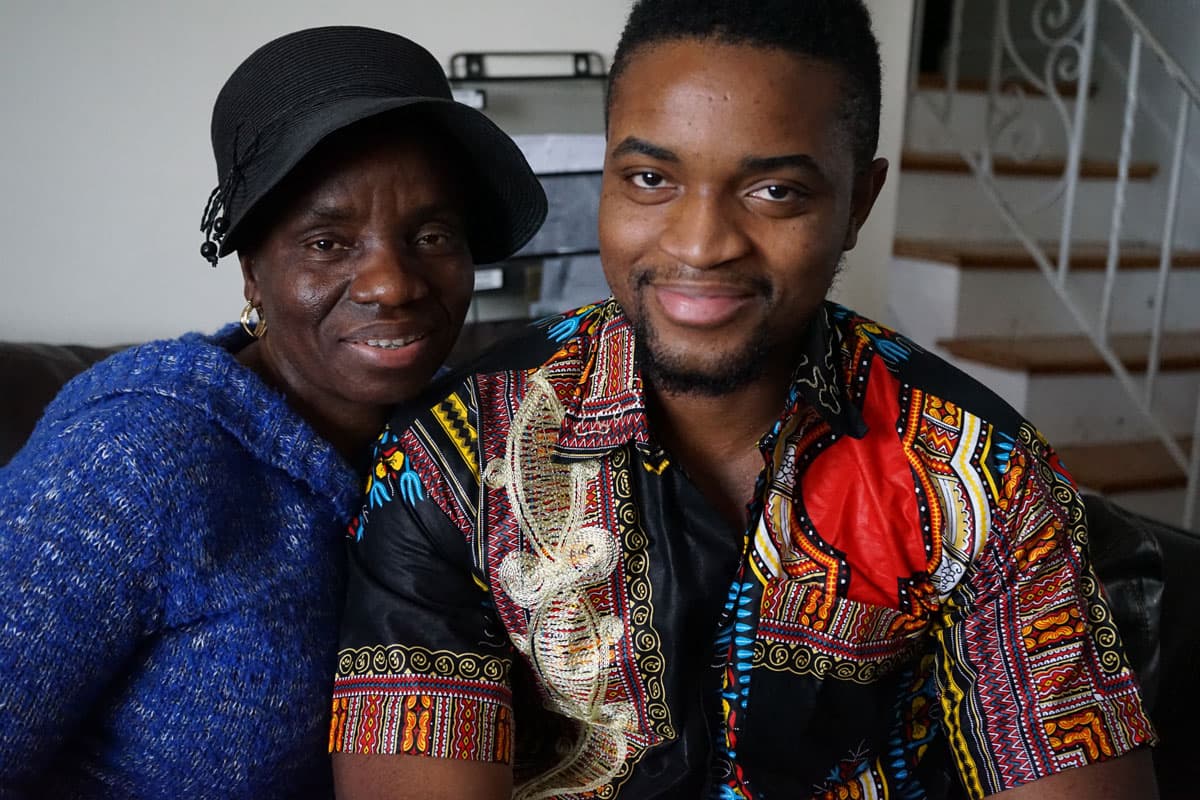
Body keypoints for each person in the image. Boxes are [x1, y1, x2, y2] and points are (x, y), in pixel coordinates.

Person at [329, 2, 1158, 798]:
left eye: (776, 192)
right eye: (651, 177)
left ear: (858, 204)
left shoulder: (984, 474)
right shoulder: (456, 455)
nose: (700, 244)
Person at [0, 26, 545, 798]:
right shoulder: (136, 454)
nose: (392, 284)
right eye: (328, 242)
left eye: (431, 234)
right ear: (253, 271)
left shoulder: (480, 439)